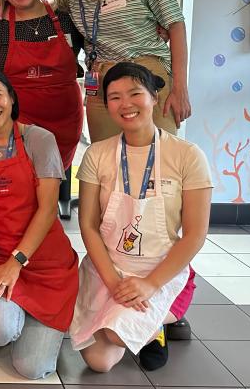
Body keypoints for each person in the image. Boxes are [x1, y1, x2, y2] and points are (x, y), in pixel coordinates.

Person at [69, 62, 211, 372]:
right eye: (115, 97)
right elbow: (88, 226)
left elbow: (195, 234)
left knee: (114, 336)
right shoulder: (97, 154)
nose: (126, 104)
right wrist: (113, 280)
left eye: (135, 93)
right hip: (108, 267)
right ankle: (140, 328)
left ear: (154, 98)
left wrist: (149, 284)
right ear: (106, 105)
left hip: (160, 270)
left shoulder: (187, 155)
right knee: (99, 362)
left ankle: (153, 329)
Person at [0, 68, 78, 379]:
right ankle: (15, 315)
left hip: (45, 263)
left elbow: (48, 208)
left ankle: (44, 318)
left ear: (11, 98)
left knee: (31, 368)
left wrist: (18, 260)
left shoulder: (40, 140)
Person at [46, 0, 191, 142]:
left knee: (160, 158)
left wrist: (180, 88)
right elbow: (40, 4)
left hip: (146, 73)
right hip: (102, 79)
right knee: (107, 162)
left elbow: (175, 24)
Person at [0, 0, 84, 218]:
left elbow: (98, 41)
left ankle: (44, 248)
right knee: (21, 195)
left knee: (49, 190)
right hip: (20, 122)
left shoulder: (65, 16)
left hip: (64, 121)